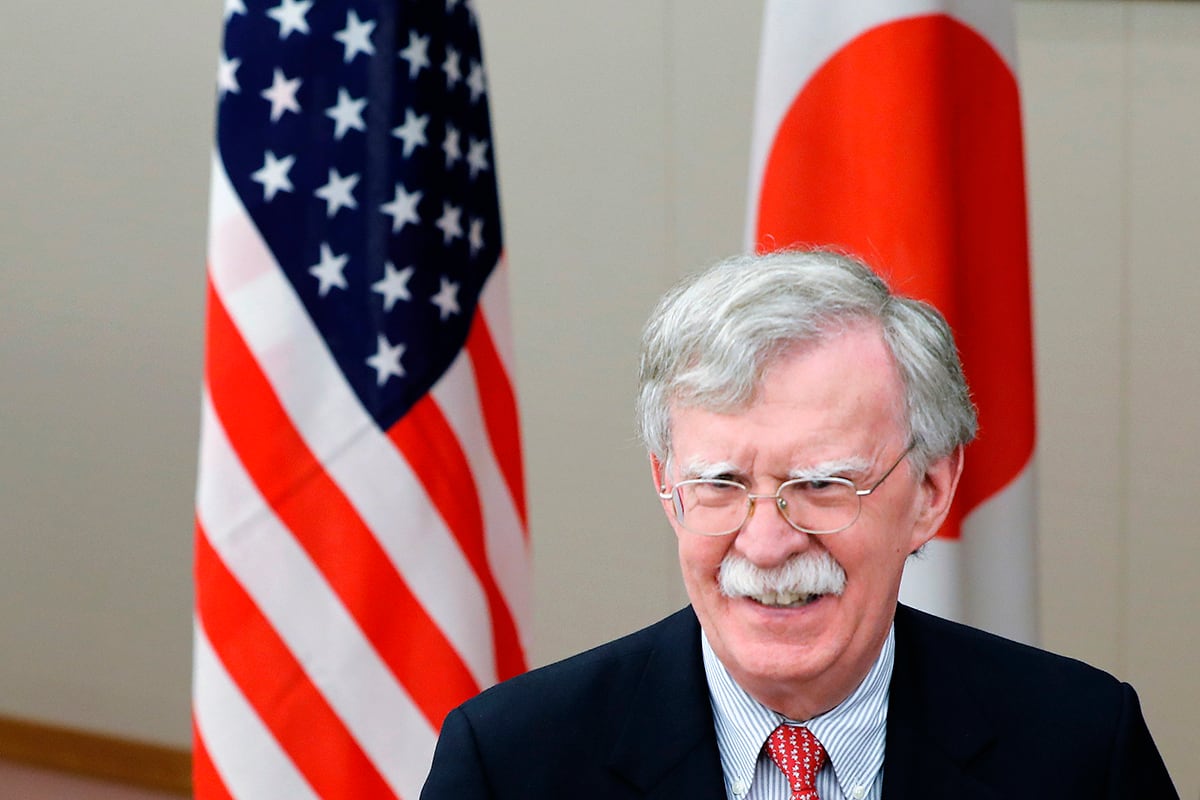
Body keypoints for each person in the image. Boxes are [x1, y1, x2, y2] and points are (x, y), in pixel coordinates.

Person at [420, 249, 1178, 799]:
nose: (766, 542)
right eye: (720, 483)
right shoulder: (512, 762)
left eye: (819, 484)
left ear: (931, 492)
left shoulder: (1081, 749)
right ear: (666, 485)